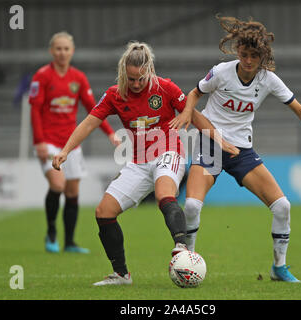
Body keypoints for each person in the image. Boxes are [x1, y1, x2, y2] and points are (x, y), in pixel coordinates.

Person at [52, 41, 239, 285]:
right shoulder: (114, 94)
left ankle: (181, 248)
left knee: (164, 195)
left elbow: (194, 115)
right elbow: (89, 122)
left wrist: (220, 140)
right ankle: (121, 274)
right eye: (131, 79)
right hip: (138, 161)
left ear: (149, 70)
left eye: (141, 78)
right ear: (123, 74)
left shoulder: (166, 88)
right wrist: (66, 150)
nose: (137, 84)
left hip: (169, 152)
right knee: (104, 213)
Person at [170, 16, 301, 283]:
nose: (248, 61)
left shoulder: (268, 80)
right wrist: (189, 114)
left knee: (282, 206)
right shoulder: (222, 72)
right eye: (244, 54)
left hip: (242, 151)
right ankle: (186, 260)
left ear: (262, 56)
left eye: (254, 56)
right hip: (210, 144)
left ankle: (279, 268)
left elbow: (298, 107)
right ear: (238, 52)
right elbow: (194, 93)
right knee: (190, 205)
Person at [29, 31, 120, 254]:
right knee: (57, 185)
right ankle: (51, 232)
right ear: (52, 51)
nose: (62, 52)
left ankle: (69, 242)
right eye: (58, 49)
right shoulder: (42, 76)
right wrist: (39, 142)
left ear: (72, 51)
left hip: (70, 144)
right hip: (49, 142)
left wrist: (109, 133)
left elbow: (94, 110)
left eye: (66, 49)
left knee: (72, 192)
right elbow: (35, 110)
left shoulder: (78, 78)